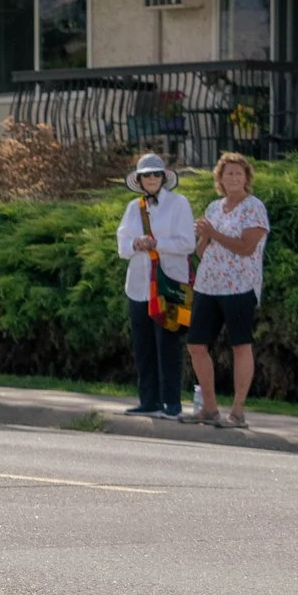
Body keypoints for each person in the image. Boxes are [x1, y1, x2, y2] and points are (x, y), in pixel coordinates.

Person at [190, 151, 268, 429]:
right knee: (196, 344)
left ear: (247, 177)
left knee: (240, 345)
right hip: (207, 284)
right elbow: (201, 250)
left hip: (239, 286)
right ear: (220, 179)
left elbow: (247, 248)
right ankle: (209, 408)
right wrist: (204, 235)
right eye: (228, 173)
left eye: (238, 173)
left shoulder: (254, 207)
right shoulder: (213, 207)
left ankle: (237, 411)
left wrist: (216, 234)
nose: (233, 177)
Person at [116, 151, 195, 421]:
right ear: (139, 179)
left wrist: (156, 244)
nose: (151, 178)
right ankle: (148, 401)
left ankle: (171, 404)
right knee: (144, 345)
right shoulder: (132, 207)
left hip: (169, 285)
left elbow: (187, 243)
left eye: (155, 174)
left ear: (164, 177)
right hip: (139, 286)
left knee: (169, 343)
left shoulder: (179, 203)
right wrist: (136, 244)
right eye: (146, 174)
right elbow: (122, 245)